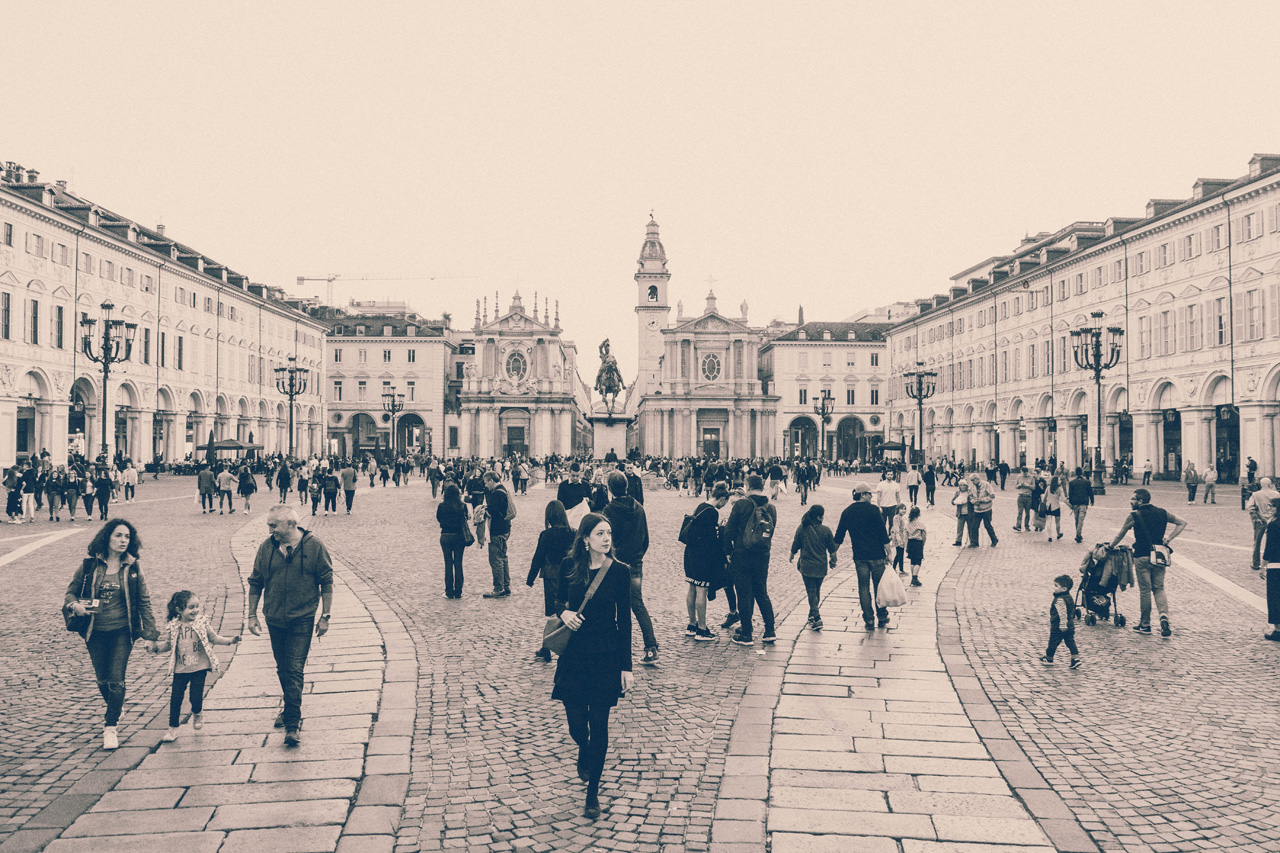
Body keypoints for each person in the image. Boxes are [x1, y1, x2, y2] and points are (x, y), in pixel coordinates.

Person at [553, 513, 633, 820]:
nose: (607, 538)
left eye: (609, 533)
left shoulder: (620, 572)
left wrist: (626, 667)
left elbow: (624, 621)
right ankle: (583, 748)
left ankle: (592, 795)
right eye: (600, 534)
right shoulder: (568, 566)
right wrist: (564, 614)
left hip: (605, 656)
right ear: (585, 539)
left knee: (599, 724)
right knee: (576, 724)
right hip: (574, 655)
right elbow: (557, 601)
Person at [62, 519, 159, 749]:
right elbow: (70, 594)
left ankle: (110, 727)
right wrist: (75, 606)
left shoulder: (133, 567)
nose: (123, 540)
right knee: (102, 679)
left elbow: (144, 601)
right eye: (118, 535)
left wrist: (151, 633)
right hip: (94, 631)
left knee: (116, 679)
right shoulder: (89, 566)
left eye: (127, 537)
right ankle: (116, 705)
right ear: (107, 537)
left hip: (122, 632)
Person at [246, 504, 333, 746]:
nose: (269, 529)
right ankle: (288, 708)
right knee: (283, 668)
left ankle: (293, 723)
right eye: (269, 524)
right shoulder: (267, 547)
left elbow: (326, 580)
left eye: (274, 525)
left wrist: (326, 615)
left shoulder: (314, 545)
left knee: (294, 668)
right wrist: (251, 615)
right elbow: (256, 581)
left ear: (291, 525)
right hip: (274, 617)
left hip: (302, 617)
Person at [152, 590, 241, 742]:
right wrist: (156, 648)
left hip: (199, 668)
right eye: (191, 607)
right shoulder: (174, 626)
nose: (195, 610)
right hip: (180, 669)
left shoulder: (201, 623)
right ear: (179, 610)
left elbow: (213, 638)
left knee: (195, 697)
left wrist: (230, 641)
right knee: (175, 699)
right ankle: (172, 729)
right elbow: (169, 644)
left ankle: (197, 712)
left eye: (197, 606)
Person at [1106, 488, 1187, 638]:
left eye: (1133, 499)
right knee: (1159, 588)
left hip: (1142, 556)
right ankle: (1164, 617)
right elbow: (1182, 522)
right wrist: (1168, 538)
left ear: (1140, 501)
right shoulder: (1162, 512)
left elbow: (1121, 533)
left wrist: (1110, 547)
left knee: (1145, 591)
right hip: (1159, 556)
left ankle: (1145, 625)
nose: (1131, 501)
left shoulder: (1134, 515)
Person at [601, 471, 658, 664]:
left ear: (610, 489)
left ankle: (607, 652)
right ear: (627, 486)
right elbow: (646, 539)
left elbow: (606, 541)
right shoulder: (639, 507)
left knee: (608, 607)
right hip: (634, 563)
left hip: (614, 564)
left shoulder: (608, 511)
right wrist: (637, 556)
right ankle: (651, 647)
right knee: (637, 604)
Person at [724, 475, 778, 646]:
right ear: (762, 487)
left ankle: (746, 633)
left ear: (747, 486)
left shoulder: (741, 504)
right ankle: (770, 631)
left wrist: (727, 551)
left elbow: (729, 531)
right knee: (761, 591)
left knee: (744, 593)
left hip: (742, 554)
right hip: (762, 555)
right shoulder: (771, 508)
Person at [834, 482, 892, 630]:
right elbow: (882, 532)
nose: (872, 496)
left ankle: (869, 619)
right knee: (879, 587)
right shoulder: (874, 510)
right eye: (870, 493)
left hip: (860, 557)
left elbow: (839, 536)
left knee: (863, 588)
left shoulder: (847, 512)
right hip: (877, 555)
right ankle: (882, 615)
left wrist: (833, 553)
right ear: (863, 495)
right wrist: (889, 552)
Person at [528, 500, 576, 660]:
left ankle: (546, 648)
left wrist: (530, 577)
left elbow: (538, 557)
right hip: (571, 576)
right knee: (569, 610)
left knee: (554, 613)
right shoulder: (573, 533)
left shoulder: (546, 535)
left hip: (552, 576)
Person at [682, 483, 729, 641]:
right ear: (722, 498)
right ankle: (702, 629)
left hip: (690, 552)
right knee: (701, 590)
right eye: (725, 502)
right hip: (702, 556)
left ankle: (691, 624)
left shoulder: (701, 506)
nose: (724, 506)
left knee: (692, 588)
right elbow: (711, 540)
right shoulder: (712, 513)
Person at [790, 504, 838, 630]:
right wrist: (833, 561)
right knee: (816, 590)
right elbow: (832, 549)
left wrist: (792, 554)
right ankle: (812, 615)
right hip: (821, 566)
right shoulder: (826, 530)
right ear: (819, 517)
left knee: (811, 591)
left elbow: (796, 543)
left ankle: (816, 617)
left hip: (807, 566)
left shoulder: (802, 528)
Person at [482, 472, 514, 598]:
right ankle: (506, 586)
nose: (485, 485)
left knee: (495, 559)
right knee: (503, 557)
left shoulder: (496, 493)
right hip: (506, 528)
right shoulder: (504, 490)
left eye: (486, 482)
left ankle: (498, 588)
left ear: (491, 481)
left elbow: (492, 512)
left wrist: (483, 510)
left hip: (497, 529)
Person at [437, 482, 471, 599]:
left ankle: (449, 591)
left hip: (446, 535)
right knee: (458, 563)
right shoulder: (462, 506)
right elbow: (466, 518)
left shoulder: (442, 506)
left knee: (448, 564)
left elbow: (438, 518)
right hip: (459, 536)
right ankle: (458, 591)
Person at [1039, 574, 1081, 669]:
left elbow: (1062, 614)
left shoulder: (1060, 600)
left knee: (1053, 642)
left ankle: (1049, 659)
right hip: (1070, 625)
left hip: (1059, 626)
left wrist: (1062, 625)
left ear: (1064, 589)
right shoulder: (1069, 597)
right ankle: (1075, 659)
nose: (1054, 588)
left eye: (1056, 586)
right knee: (1070, 642)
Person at [1249, 478, 1280, 571]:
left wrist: (1256, 518)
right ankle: (1273, 561)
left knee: (1257, 542)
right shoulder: (1277, 494)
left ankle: (1255, 563)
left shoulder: (1256, 494)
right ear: (1270, 484)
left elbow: (1250, 508)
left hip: (1261, 521)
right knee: (1274, 541)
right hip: (1274, 520)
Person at [1261, 498, 1280, 641]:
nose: (1270, 508)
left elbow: (1270, 548)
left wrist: (1263, 565)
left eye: (1272, 506)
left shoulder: (1274, 525)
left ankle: (1278, 629)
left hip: (1276, 566)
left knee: (1274, 597)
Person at [968, 474, 997, 547]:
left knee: (987, 525)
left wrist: (982, 500)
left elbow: (992, 495)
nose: (972, 482)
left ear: (977, 479)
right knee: (974, 526)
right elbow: (970, 497)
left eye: (973, 480)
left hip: (986, 509)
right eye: (971, 481)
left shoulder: (986, 485)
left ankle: (994, 540)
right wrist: (974, 501)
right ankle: (974, 543)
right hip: (977, 510)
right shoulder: (972, 487)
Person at [1067, 467, 1094, 544]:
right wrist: (1092, 501)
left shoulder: (1072, 482)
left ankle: (1078, 534)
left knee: (1077, 519)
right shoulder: (1087, 482)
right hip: (1083, 503)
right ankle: (1078, 534)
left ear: (1075, 473)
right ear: (1082, 473)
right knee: (1081, 519)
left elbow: (1070, 494)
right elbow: (1090, 492)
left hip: (1075, 503)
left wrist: (1071, 503)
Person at [905, 505, 926, 587]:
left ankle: (913, 578)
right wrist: (923, 544)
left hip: (910, 543)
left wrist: (906, 546)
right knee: (918, 561)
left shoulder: (908, 525)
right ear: (919, 514)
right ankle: (915, 578)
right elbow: (924, 535)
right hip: (918, 542)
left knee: (912, 561)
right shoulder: (921, 525)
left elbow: (905, 536)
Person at [1041, 474, 1063, 542]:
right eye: (1059, 480)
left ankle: (1050, 536)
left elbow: (1044, 498)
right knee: (1057, 521)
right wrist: (1070, 506)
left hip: (1049, 506)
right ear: (1056, 481)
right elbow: (1064, 498)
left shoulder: (1048, 488)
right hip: (1056, 506)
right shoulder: (1059, 489)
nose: (1060, 481)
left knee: (1049, 521)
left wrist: (1043, 502)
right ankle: (1058, 534)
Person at [1012, 466, 1034, 532]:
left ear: (1027, 472)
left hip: (1028, 497)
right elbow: (1016, 486)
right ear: (1021, 471)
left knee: (1027, 513)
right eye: (1023, 473)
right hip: (1020, 497)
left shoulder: (1031, 477)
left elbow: (1034, 487)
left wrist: (1028, 485)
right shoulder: (1018, 477)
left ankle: (1026, 526)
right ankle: (1018, 526)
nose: (1024, 475)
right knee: (1020, 512)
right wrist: (1020, 485)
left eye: (1025, 474)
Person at [951, 480, 972, 546]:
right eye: (961, 485)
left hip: (969, 513)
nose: (962, 487)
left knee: (970, 528)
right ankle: (958, 541)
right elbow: (952, 501)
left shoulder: (969, 492)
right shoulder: (958, 493)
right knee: (959, 528)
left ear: (966, 486)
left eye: (964, 485)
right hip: (960, 513)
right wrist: (955, 502)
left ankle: (972, 541)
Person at [889, 504, 907, 572]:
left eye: (905, 509)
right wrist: (899, 538)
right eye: (902, 509)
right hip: (898, 537)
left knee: (899, 553)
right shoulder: (897, 517)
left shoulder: (901, 517)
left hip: (901, 537)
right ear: (898, 509)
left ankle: (894, 568)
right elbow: (896, 528)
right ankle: (901, 569)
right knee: (900, 553)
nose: (903, 510)